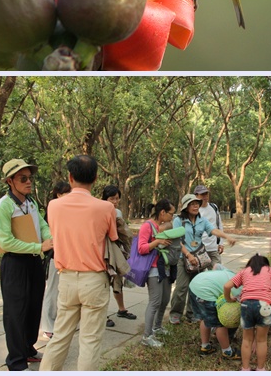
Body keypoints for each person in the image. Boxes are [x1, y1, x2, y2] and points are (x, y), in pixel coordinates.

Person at [39, 155, 118, 371]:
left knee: (60, 337)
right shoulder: (105, 208)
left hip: (66, 279)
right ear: (95, 177)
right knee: (90, 341)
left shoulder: (53, 206)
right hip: (94, 279)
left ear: (70, 177)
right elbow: (113, 237)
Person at [0, 158, 54, 371]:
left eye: (29, 178)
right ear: (9, 181)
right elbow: (5, 241)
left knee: (34, 306)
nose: (28, 182)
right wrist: (38, 247)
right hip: (15, 264)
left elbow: (42, 226)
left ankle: (28, 348)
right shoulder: (2, 207)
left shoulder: (30, 203)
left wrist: (50, 239)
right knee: (16, 311)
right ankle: (16, 360)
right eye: (22, 178)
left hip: (34, 262)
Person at [169, 193, 236, 324]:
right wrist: (188, 255)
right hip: (183, 258)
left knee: (195, 287)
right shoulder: (178, 221)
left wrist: (227, 237)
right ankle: (175, 313)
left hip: (198, 259)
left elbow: (213, 230)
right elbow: (177, 241)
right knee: (181, 287)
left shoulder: (202, 220)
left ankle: (191, 313)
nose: (195, 206)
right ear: (186, 207)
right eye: (192, 204)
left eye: (197, 204)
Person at [224, 254, 271, 371]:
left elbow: (227, 286)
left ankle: (245, 368)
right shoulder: (269, 270)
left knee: (246, 339)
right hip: (265, 305)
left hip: (246, 305)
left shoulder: (244, 271)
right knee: (261, 340)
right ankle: (260, 369)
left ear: (250, 264)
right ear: (265, 263)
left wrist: (229, 299)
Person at [138, 199, 176, 348]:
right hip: (153, 269)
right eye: (171, 214)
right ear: (162, 213)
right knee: (154, 302)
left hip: (164, 268)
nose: (172, 217)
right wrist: (157, 242)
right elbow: (141, 248)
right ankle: (147, 336)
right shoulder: (147, 226)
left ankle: (157, 327)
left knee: (165, 299)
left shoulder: (159, 226)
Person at [40, 181, 72, 339]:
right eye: (67, 192)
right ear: (58, 195)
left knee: (63, 292)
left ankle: (59, 323)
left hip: (68, 256)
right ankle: (47, 325)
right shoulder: (53, 209)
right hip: (55, 256)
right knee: (52, 291)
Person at [189, 265, 242, 360]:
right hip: (206, 292)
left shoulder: (230, 273)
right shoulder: (241, 290)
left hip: (195, 284)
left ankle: (205, 346)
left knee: (205, 318)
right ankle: (227, 352)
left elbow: (216, 265)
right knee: (220, 323)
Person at [101, 185, 136, 327]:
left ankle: (122, 309)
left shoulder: (118, 212)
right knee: (103, 283)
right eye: (111, 198)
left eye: (117, 198)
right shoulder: (101, 211)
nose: (115, 201)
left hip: (117, 249)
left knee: (117, 280)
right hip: (104, 251)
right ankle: (102, 316)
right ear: (105, 199)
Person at [194, 184, 224, 266]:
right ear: (196, 196)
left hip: (213, 248)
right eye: (202, 194)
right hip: (200, 249)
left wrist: (221, 242)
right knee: (202, 275)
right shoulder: (194, 210)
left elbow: (219, 225)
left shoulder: (214, 207)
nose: (205, 196)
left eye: (206, 194)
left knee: (217, 273)